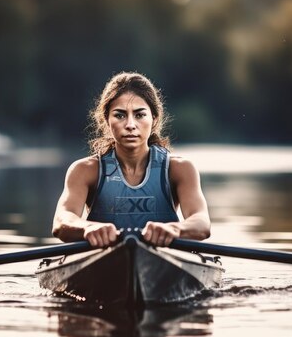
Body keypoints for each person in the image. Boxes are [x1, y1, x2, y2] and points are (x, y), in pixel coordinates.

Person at [52, 72, 210, 248]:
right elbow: (61, 220)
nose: (130, 125)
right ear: (106, 120)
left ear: (154, 119)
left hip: (165, 260)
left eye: (140, 115)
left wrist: (176, 229)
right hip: (102, 260)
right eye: (119, 115)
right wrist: (87, 227)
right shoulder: (84, 170)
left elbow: (202, 223)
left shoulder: (180, 169)